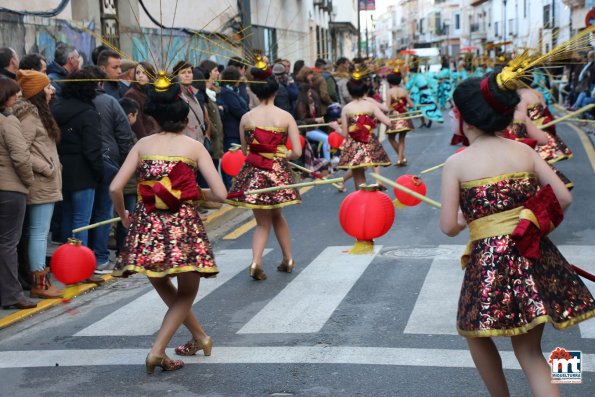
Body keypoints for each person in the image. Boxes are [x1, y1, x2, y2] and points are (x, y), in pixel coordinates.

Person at [439, 70, 595, 397]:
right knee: (529, 352)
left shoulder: (456, 164)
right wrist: (529, 220)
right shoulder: (523, 152)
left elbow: (448, 226)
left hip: (488, 263)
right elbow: (563, 198)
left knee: (475, 332)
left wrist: (474, 217)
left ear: (465, 119)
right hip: (531, 253)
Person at [110, 79, 226, 373]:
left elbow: (115, 187)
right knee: (187, 291)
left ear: (153, 116)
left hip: (147, 226)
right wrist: (196, 193)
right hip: (182, 227)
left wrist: (124, 214)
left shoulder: (143, 145)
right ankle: (157, 350)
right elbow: (221, 195)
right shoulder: (194, 147)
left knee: (160, 280)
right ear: (184, 115)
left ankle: (200, 337)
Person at [225, 61, 302, 281]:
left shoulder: (246, 118)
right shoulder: (285, 117)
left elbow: (244, 150)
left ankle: (256, 261)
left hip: (254, 173)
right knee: (277, 214)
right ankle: (287, 258)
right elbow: (296, 151)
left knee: (262, 222)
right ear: (275, 89)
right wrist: (282, 154)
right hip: (277, 173)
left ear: (254, 90)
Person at [14, 70, 63, 298]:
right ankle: (39, 282)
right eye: (47, 87)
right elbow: (21, 149)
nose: (51, 90)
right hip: (39, 182)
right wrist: (46, 167)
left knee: (38, 232)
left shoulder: (39, 114)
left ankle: (38, 279)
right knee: (38, 232)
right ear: (36, 92)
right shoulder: (29, 117)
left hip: (47, 182)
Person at [51, 69, 103, 247]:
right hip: (84, 172)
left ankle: (66, 261)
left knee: (67, 215)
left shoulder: (56, 109)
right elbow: (92, 149)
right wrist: (100, 172)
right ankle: (79, 266)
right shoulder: (88, 113)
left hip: (61, 169)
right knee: (81, 220)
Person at [0, 78, 37, 310]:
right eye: (14, 93)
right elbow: (21, 156)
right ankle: (12, 295)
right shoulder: (9, 121)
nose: (18, 96)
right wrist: (28, 180)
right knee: (8, 243)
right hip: (11, 188)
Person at [330, 70, 392, 190]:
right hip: (370, 143)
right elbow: (388, 122)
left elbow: (344, 134)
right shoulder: (371, 105)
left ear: (350, 91)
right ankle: (373, 190)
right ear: (364, 89)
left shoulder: (346, 108)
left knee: (359, 180)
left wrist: (336, 127)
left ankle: (362, 202)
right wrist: (371, 122)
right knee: (365, 173)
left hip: (354, 146)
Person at [217, 66, 250, 189]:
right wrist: (248, 114)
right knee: (230, 161)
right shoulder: (226, 92)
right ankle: (230, 187)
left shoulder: (234, 91)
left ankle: (237, 186)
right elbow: (237, 109)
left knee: (238, 160)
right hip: (231, 132)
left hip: (237, 131)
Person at [124, 61, 160, 139]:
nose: (140, 76)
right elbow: (137, 125)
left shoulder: (153, 92)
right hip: (146, 139)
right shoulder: (132, 94)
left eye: (144, 73)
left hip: (158, 136)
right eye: (138, 73)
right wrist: (145, 142)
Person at [386, 70, 415, 166]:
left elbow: (387, 107)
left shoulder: (389, 92)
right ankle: (401, 158)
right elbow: (411, 105)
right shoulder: (404, 91)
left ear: (390, 82)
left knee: (391, 138)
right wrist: (404, 106)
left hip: (394, 117)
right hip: (404, 116)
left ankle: (401, 158)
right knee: (402, 139)